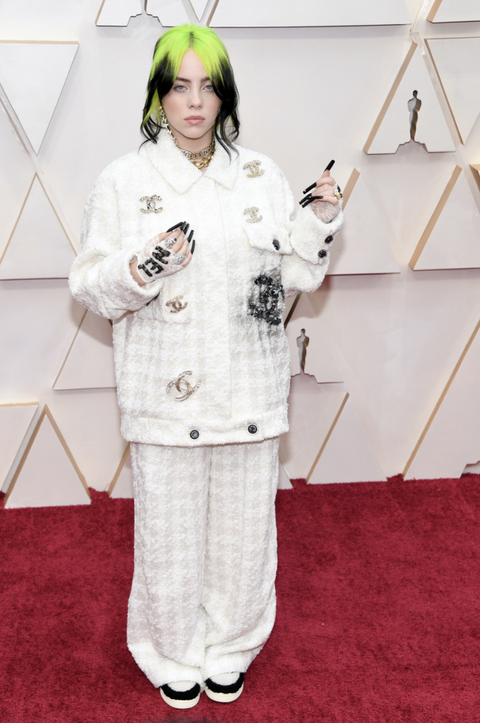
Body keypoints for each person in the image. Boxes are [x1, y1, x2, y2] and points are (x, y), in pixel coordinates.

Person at [69, 24, 344, 710]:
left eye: (208, 87)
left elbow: (294, 278)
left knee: (244, 534)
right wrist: (142, 266)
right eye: (179, 86)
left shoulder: (261, 176)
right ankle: (169, 649)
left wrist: (317, 221)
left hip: (248, 389)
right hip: (165, 396)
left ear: (225, 96)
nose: (194, 103)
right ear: (158, 96)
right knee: (169, 535)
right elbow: (90, 286)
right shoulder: (124, 180)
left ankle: (233, 644)